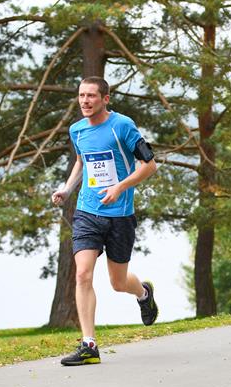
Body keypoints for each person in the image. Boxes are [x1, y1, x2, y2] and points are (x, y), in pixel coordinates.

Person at [51, 76, 158, 366]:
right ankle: (89, 345)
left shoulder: (122, 126)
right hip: (87, 211)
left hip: (120, 215)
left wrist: (120, 187)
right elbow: (81, 161)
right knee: (83, 274)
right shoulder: (77, 130)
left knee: (118, 282)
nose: (85, 101)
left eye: (91, 96)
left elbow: (149, 165)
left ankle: (143, 293)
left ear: (105, 99)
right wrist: (67, 189)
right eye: (81, 96)